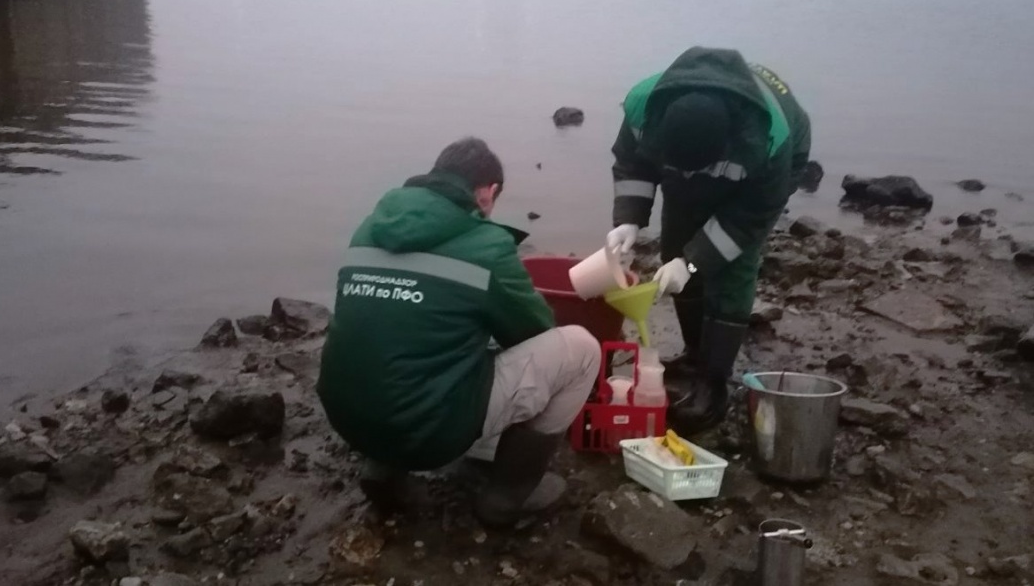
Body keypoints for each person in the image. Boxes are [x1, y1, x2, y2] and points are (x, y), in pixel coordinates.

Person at [317, 137, 600, 526]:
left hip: (346, 417)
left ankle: (382, 467)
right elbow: (536, 333)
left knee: (395, 338)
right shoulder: (487, 244)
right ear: (487, 193)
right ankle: (507, 498)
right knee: (582, 350)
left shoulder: (370, 228)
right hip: (429, 434)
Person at [607, 47, 811, 435]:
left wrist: (694, 261)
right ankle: (695, 353)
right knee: (675, 249)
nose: (683, 179)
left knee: (731, 265)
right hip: (707, 152)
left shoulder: (767, 139)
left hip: (772, 163)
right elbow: (632, 162)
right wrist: (629, 220)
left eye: (693, 171)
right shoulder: (643, 107)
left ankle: (714, 383)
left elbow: (748, 219)